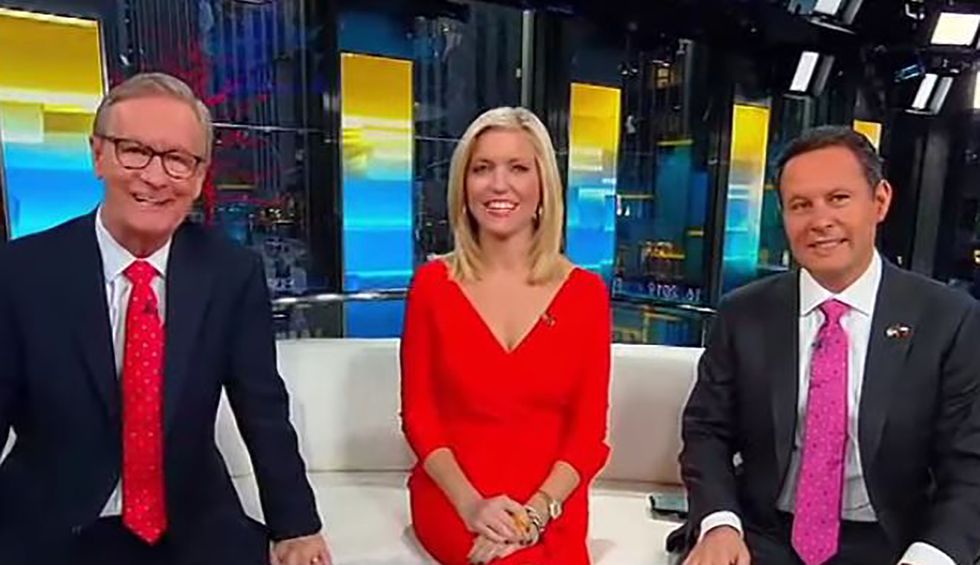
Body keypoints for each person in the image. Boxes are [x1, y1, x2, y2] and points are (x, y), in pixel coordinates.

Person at [0, 73, 331, 565]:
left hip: (191, 520)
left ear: (199, 176)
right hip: (51, 520)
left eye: (178, 159)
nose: (155, 177)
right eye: (135, 151)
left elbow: (261, 407)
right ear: (98, 154)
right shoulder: (20, 271)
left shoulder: (231, 273)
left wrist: (297, 527)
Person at [679, 125, 980, 565]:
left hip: (895, 544)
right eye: (801, 205)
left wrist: (930, 557)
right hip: (762, 534)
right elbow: (707, 431)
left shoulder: (950, 320)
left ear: (880, 201)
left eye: (838, 198)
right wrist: (719, 523)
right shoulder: (743, 313)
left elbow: (971, 466)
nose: (820, 221)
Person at [400, 107, 611, 564]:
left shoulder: (586, 295)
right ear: (464, 186)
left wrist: (534, 513)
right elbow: (419, 417)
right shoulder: (433, 286)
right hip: (456, 496)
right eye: (482, 168)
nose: (499, 184)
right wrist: (472, 506)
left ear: (543, 185)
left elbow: (589, 431)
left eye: (517, 168)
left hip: (550, 500)